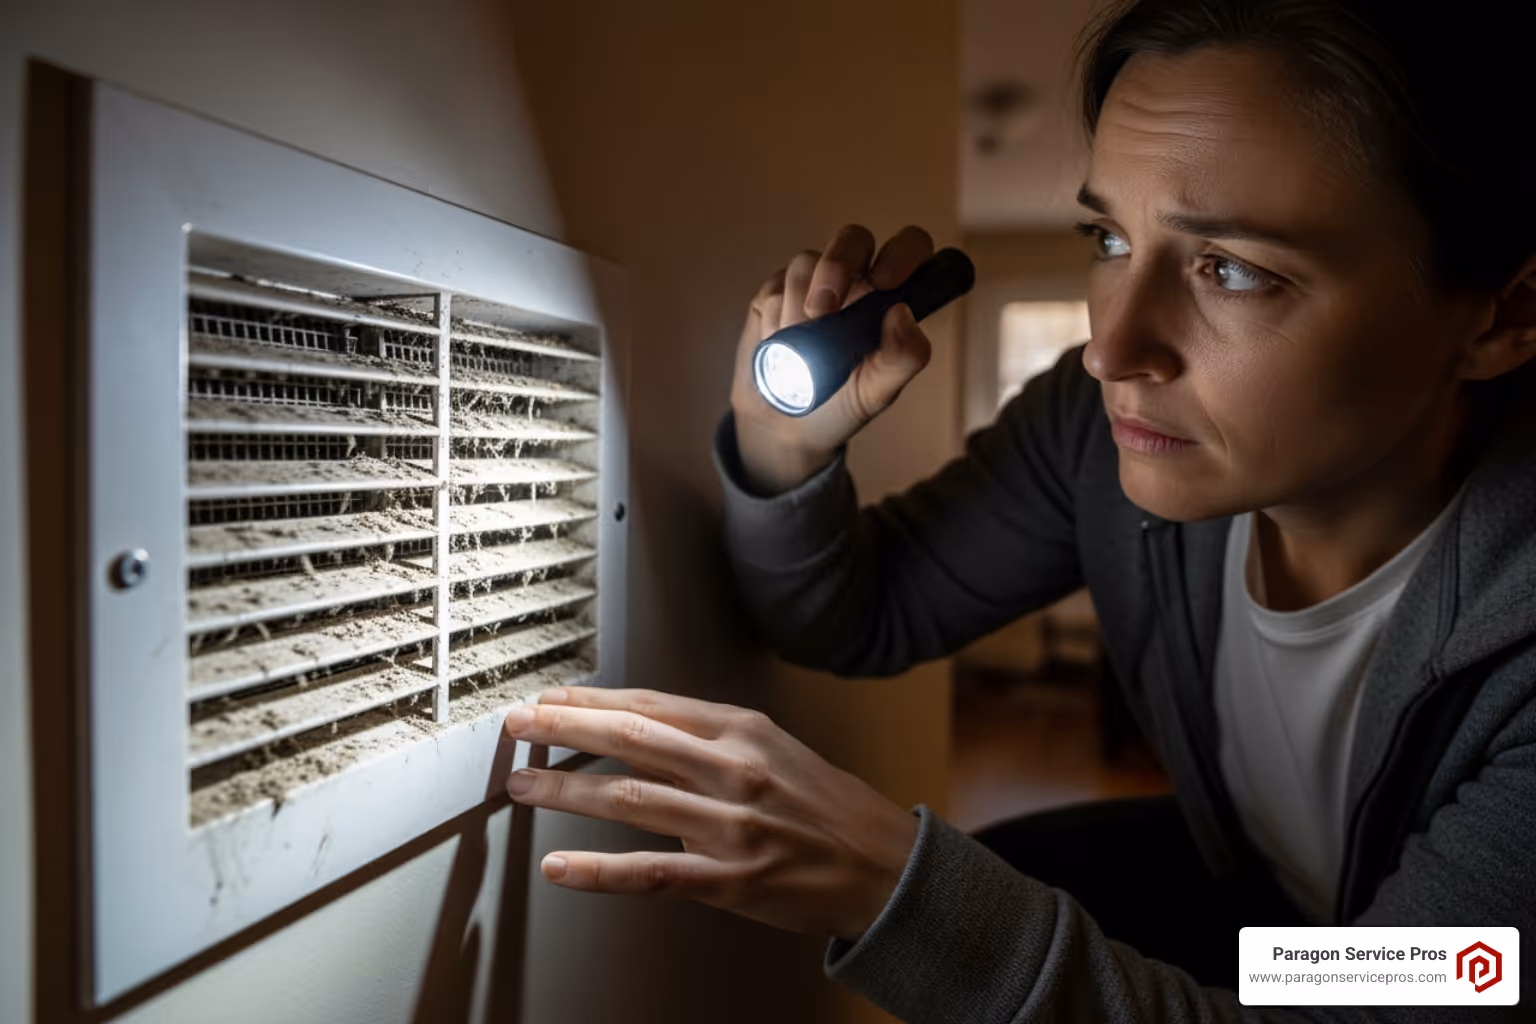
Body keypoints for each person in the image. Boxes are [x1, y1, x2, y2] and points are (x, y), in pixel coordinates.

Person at [500, 0, 1536, 1019]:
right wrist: (782, 443)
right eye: (1109, 237)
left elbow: (1408, 994)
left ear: (1502, 315)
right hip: (1284, 915)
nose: (1109, 351)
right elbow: (854, 615)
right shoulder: (1094, 434)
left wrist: (894, 887)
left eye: (1232, 270)